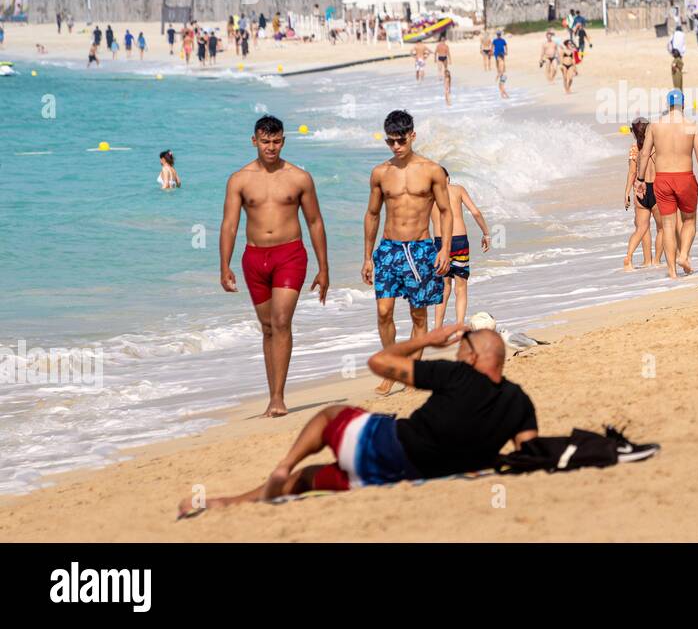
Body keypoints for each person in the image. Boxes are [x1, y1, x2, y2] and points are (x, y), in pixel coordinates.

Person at [176, 325, 536, 516]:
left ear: (472, 357)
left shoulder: (457, 375)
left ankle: (283, 466)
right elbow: (528, 453)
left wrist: (428, 339)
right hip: (406, 475)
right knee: (310, 480)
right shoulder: (520, 401)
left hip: (386, 447)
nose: (457, 353)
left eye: (461, 349)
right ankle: (231, 503)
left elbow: (378, 363)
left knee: (332, 413)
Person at [219, 115, 330, 417]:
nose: (271, 147)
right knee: (268, 328)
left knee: (281, 321)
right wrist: (224, 266)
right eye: (265, 141)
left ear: (284, 140)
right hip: (254, 258)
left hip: (290, 255)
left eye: (276, 141)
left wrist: (324, 268)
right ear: (254, 140)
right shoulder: (239, 180)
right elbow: (229, 225)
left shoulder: (299, 178)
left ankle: (278, 398)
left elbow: (314, 221)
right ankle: (273, 394)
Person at [362, 110, 453, 395]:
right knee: (383, 311)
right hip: (389, 249)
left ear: (412, 136)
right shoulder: (380, 173)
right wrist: (367, 256)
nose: (396, 147)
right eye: (390, 142)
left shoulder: (432, 170)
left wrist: (445, 249)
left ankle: (413, 373)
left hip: (421, 249)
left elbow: (446, 211)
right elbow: (373, 214)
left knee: (418, 315)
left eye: (400, 140)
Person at [634, 89, 698, 279]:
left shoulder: (655, 126)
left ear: (667, 105)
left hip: (662, 179)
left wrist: (640, 180)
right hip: (685, 177)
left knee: (668, 226)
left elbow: (644, 154)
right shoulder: (691, 125)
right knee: (689, 220)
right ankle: (684, 255)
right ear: (684, 105)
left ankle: (672, 272)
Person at [431, 173, 492, 329]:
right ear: (448, 178)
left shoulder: (429, 195)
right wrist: (486, 233)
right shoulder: (457, 190)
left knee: (443, 287)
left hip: (439, 243)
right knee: (461, 286)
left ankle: (437, 329)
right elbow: (476, 212)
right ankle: (459, 328)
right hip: (459, 241)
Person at [624, 118, 663, 270]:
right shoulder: (656, 145)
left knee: (641, 228)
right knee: (662, 228)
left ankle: (630, 256)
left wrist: (627, 192)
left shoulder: (634, 148)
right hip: (657, 187)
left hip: (640, 189)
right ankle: (657, 261)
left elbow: (632, 172)